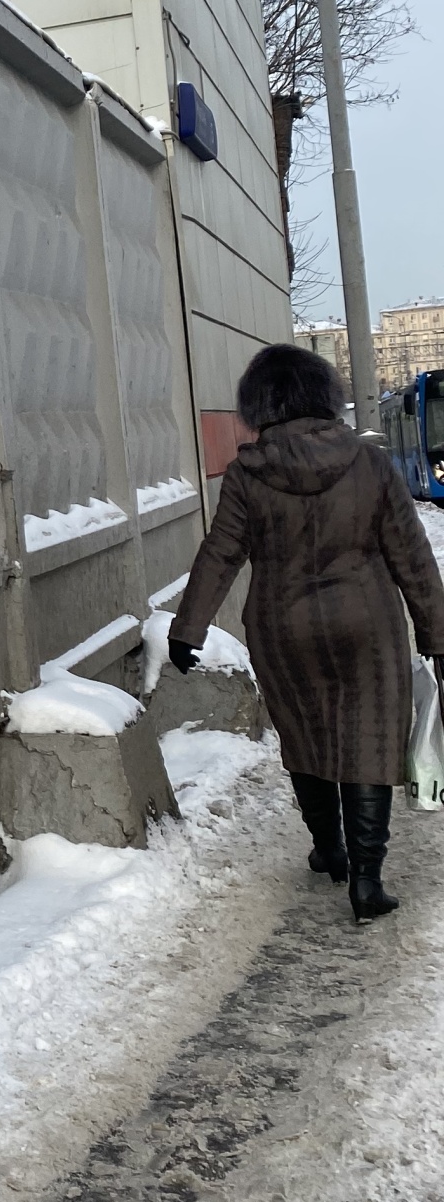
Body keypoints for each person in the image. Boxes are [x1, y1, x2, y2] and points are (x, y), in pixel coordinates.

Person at [167, 342, 444, 924]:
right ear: (325, 397)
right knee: (368, 741)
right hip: (367, 625)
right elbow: (412, 557)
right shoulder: (371, 465)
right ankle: (367, 880)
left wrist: (187, 628)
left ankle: (329, 848)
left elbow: (221, 551)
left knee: (306, 735)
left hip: (282, 628)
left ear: (261, 405)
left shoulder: (248, 473)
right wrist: (437, 637)